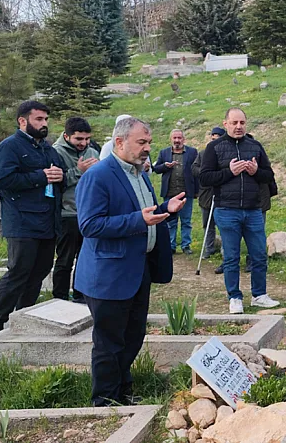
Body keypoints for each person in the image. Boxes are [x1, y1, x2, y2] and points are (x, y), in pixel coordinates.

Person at [74, 117, 185, 406]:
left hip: (137, 271)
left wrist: (166, 209)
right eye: (142, 142)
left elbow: (144, 213)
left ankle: (122, 392)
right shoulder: (97, 175)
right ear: (120, 142)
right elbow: (90, 226)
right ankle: (104, 401)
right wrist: (140, 220)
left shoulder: (139, 174)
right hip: (108, 275)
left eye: (149, 142)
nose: (148, 148)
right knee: (109, 343)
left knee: (132, 337)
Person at [0, 101, 65, 335]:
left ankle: (24, 318)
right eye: (39, 119)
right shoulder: (10, 146)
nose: (44, 124)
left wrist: (60, 175)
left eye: (45, 119)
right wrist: (40, 176)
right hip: (22, 221)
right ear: (22, 121)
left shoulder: (47, 148)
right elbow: (1, 179)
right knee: (19, 271)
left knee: (40, 270)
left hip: (47, 220)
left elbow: (59, 175)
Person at [199, 108, 279, 313]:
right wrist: (229, 172)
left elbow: (268, 175)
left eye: (242, 122)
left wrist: (255, 172)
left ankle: (259, 295)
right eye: (234, 123)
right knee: (231, 257)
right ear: (225, 123)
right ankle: (234, 297)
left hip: (253, 209)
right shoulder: (214, 147)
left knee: (259, 254)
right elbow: (205, 177)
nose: (238, 127)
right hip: (226, 209)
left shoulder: (255, 145)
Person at [52, 117, 99, 303]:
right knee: (65, 259)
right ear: (67, 136)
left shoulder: (93, 151)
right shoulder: (56, 153)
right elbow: (57, 182)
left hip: (88, 213)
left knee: (85, 259)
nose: (84, 143)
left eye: (87, 139)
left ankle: (80, 295)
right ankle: (59, 297)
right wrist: (78, 170)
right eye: (79, 139)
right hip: (67, 213)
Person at [153, 129, 199, 254]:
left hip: (186, 193)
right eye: (175, 138)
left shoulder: (192, 152)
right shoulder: (164, 153)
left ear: (183, 139)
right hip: (169, 192)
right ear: (171, 139)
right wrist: (165, 166)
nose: (177, 140)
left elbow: (196, 172)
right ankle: (171, 245)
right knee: (170, 221)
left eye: (179, 138)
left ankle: (186, 245)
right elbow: (156, 169)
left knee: (186, 221)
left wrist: (196, 191)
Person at [192, 127, 225, 273]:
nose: (214, 140)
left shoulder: (226, 153)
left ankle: (226, 252)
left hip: (223, 195)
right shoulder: (203, 153)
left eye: (217, 138)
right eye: (213, 138)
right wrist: (207, 174)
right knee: (207, 224)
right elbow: (194, 168)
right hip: (206, 194)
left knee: (224, 224)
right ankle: (209, 248)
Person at [244, 132, 278, 273]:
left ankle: (254, 261)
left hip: (258, 203)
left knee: (257, 234)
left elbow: (268, 176)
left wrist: (256, 171)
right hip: (237, 204)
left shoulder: (260, 158)